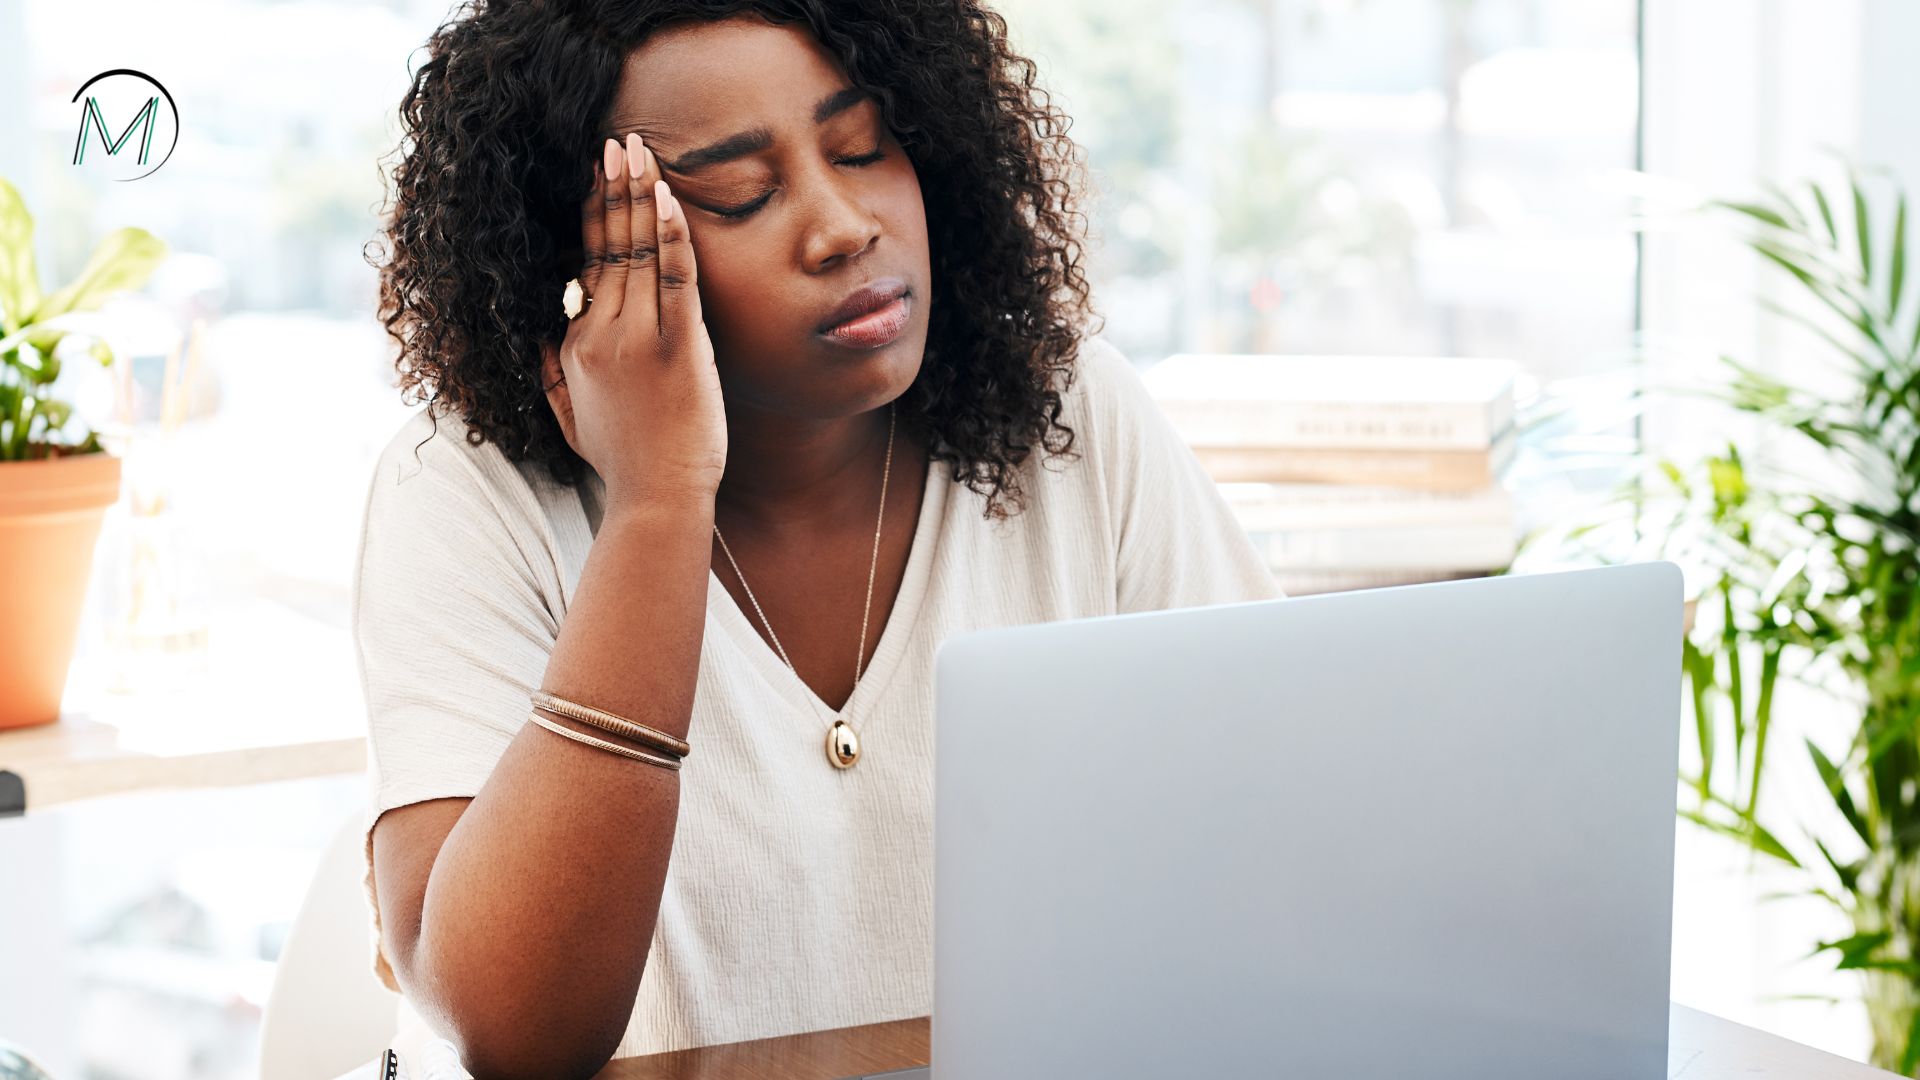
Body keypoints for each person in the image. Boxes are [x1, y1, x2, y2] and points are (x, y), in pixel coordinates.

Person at [353, 1, 1285, 1076]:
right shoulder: (465, 494)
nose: (843, 224)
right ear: (584, 263)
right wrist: (658, 502)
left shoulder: (1068, 419)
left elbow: (1273, 828)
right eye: (742, 193)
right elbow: (515, 1031)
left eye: (863, 148)